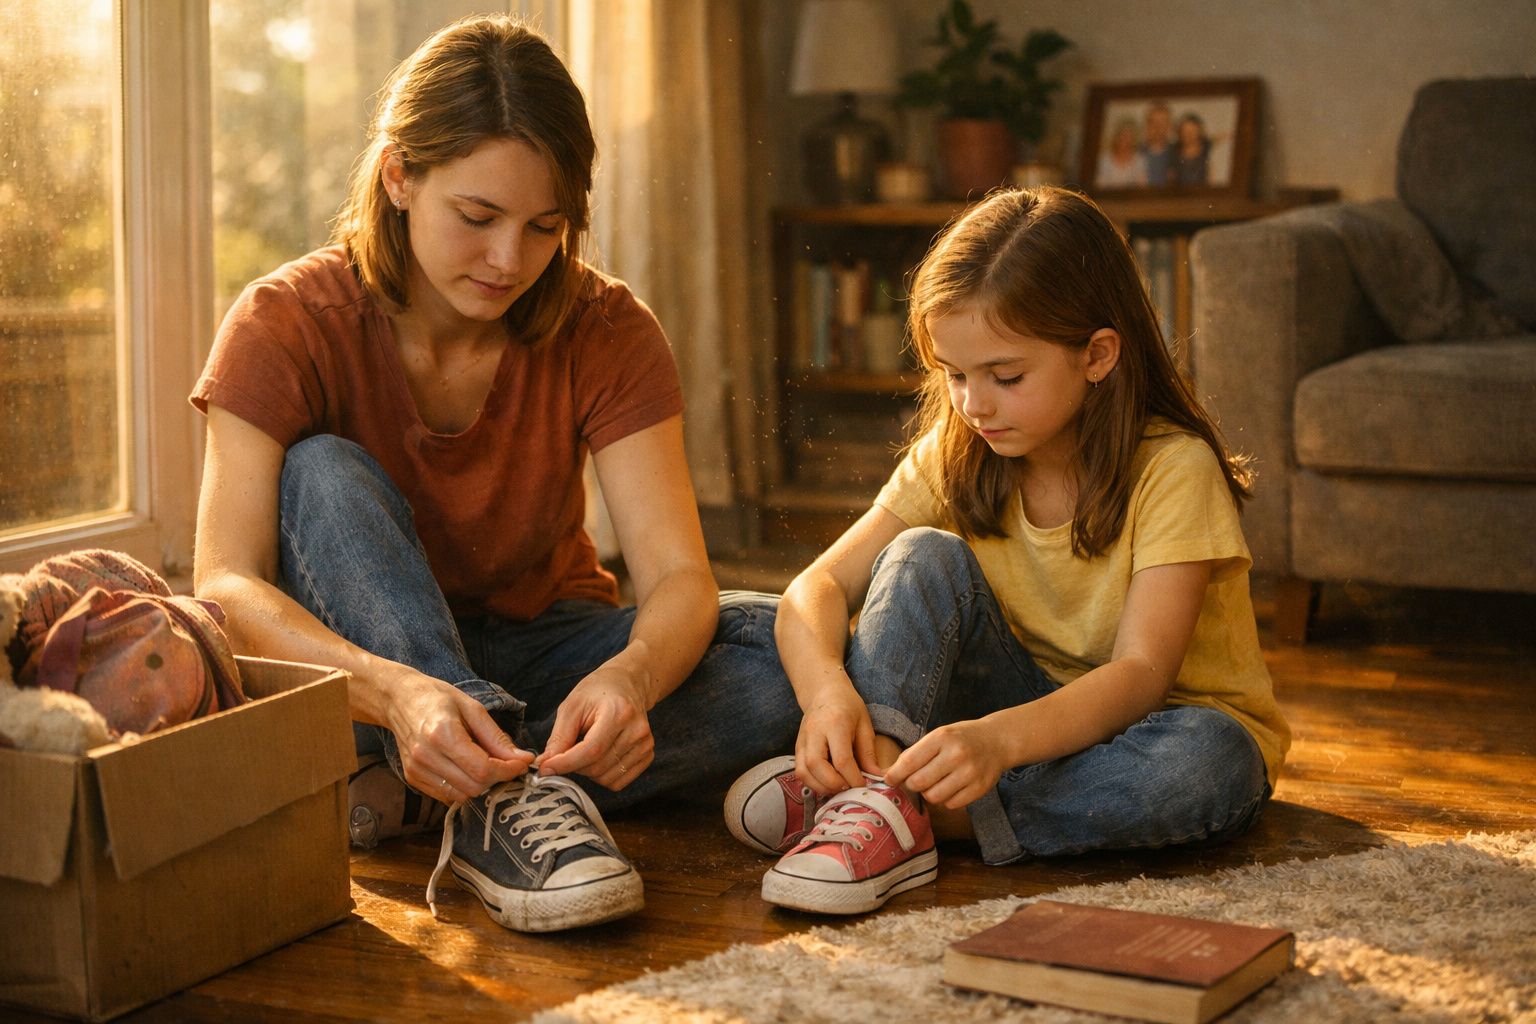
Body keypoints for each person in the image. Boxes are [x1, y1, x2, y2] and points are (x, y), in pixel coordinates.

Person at [191, 15, 797, 934]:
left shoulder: (608, 329)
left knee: (782, 655)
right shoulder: (284, 321)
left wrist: (632, 680)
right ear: (400, 175)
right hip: (364, 677)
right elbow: (224, 585)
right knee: (320, 471)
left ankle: (455, 794)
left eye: (544, 226)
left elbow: (679, 576)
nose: (509, 260)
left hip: (547, 645)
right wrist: (402, 695)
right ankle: (495, 794)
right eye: (476, 218)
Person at [722, 187, 1290, 915]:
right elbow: (815, 588)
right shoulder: (960, 449)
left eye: (1005, 377)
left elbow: (1143, 674)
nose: (973, 404)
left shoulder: (1174, 468)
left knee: (1206, 766)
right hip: (1009, 712)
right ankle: (882, 796)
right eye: (954, 375)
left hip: (1152, 728)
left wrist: (994, 743)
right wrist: (826, 694)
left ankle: (887, 812)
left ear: (1097, 355)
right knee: (920, 557)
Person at [1094, 117, 1148, 189]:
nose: (1125, 140)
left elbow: (1141, 187)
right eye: (1122, 136)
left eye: (1129, 137)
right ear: (1116, 137)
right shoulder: (1104, 159)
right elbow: (1099, 186)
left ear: (1134, 140)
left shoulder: (1140, 160)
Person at [1140, 101, 1176, 186]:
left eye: (1162, 123)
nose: (1158, 127)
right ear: (1147, 125)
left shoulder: (1177, 152)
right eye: (1153, 122)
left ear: (1169, 126)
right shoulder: (1137, 152)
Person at [1173, 112, 1213, 186]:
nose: (1187, 135)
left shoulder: (1207, 149)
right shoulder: (1174, 151)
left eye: (1191, 131)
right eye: (1184, 131)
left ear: (1199, 131)